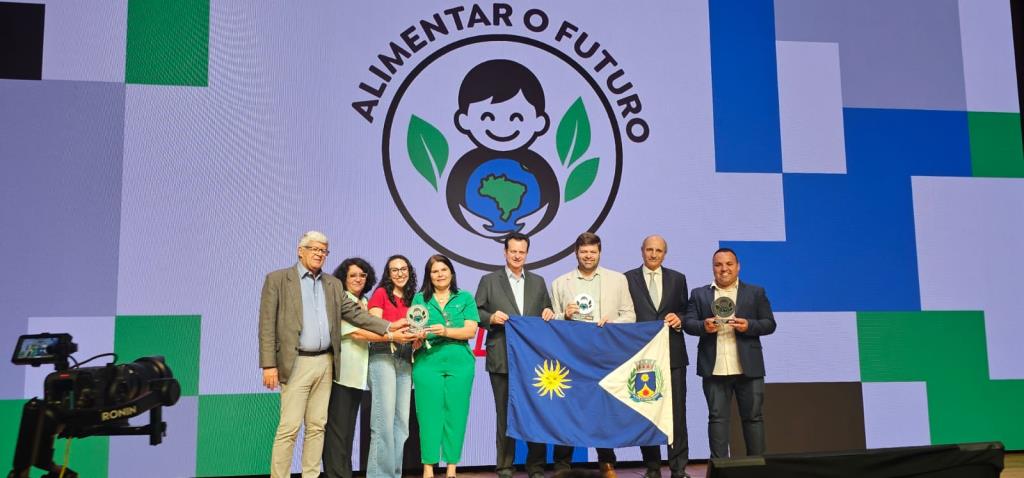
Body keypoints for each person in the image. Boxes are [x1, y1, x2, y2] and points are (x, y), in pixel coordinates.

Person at [258, 231, 411, 478]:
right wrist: (268, 365)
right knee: (289, 428)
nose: (319, 254)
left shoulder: (332, 284)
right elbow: (266, 325)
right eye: (314, 249)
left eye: (323, 251)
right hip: (295, 362)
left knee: (318, 427)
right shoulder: (277, 280)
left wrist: (389, 326)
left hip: (327, 363)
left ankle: (310, 475)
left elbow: (356, 314)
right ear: (300, 250)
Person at [549, 232, 636, 478]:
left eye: (593, 252)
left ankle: (607, 462)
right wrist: (563, 315)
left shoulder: (617, 280)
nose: (588, 256)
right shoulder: (559, 283)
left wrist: (613, 323)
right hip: (570, 356)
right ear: (576, 253)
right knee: (566, 408)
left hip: (604, 356)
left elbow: (630, 316)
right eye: (584, 252)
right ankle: (562, 464)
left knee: (602, 409)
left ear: (599, 252)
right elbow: (550, 321)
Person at [474, 233, 557, 478]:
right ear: (505, 253)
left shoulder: (538, 282)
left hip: (533, 359)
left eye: (522, 252)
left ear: (527, 253)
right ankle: (505, 466)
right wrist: (490, 318)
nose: (517, 256)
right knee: (504, 413)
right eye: (513, 252)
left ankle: (536, 466)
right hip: (502, 357)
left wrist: (549, 312)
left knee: (536, 411)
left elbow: (547, 309)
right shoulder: (489, 280)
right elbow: (476, 312)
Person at [683, 248, 776, 458]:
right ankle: (719, 469)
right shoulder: (699, 294)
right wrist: (703, 326)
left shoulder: (755, 292)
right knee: (716, 419)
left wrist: (749, 325)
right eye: (718, 265)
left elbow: (770, 324)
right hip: (713, 368)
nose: (724, 269)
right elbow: (688, 324)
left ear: (738, 266)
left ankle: (758, 469)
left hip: (748, 368)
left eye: (729, 264)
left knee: (753, 418)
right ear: (713, 267)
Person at [624, 235, 691, 478]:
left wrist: (680, 319)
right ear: (642, 251)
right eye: (650, 250)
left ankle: (678, 468)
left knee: (677, 414)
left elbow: (687, 311)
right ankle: (652, 467)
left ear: (665, 253)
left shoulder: (678, 279)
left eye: (659, 251)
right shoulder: (627, 278)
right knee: (648, 412)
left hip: (673, 356)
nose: (654, 254)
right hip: (642, 358)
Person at [411, 255, 480, 478]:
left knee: (456, 414)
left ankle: (452, 466)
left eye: (444, 269)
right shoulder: (420, 299)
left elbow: (470, 331)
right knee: (429, 415)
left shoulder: (465, 298)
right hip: (427, 363)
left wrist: (446, 331)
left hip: (460, 363)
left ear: (451, 272)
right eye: (434, 271)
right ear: (429, 276)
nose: (440, 274)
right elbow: (415, 328)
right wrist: (417, 336)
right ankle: (428, 467)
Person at [323, 257, 384, 478]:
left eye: (362, 275)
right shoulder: (339, 300)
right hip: (341, 374)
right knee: (337, 431)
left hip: (358, 376)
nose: (358, 279)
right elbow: (356, 332)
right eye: (353, 275)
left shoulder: (365, 301)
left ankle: (344, 472)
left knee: (348, 430)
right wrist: (391, 334)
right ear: (343, 279)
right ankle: (335, 474)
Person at [365, 255, 419, 478]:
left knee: (401, 425)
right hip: (383, 356)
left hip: (405, 359)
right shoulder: (380, 294)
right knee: (383, 423)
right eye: (394, 270)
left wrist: (417, 338)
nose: (400, 273)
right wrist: (395, 333)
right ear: (388, 274)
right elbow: (376, 327)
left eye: (403, 269)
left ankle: (393, 474)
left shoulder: (413, 299)